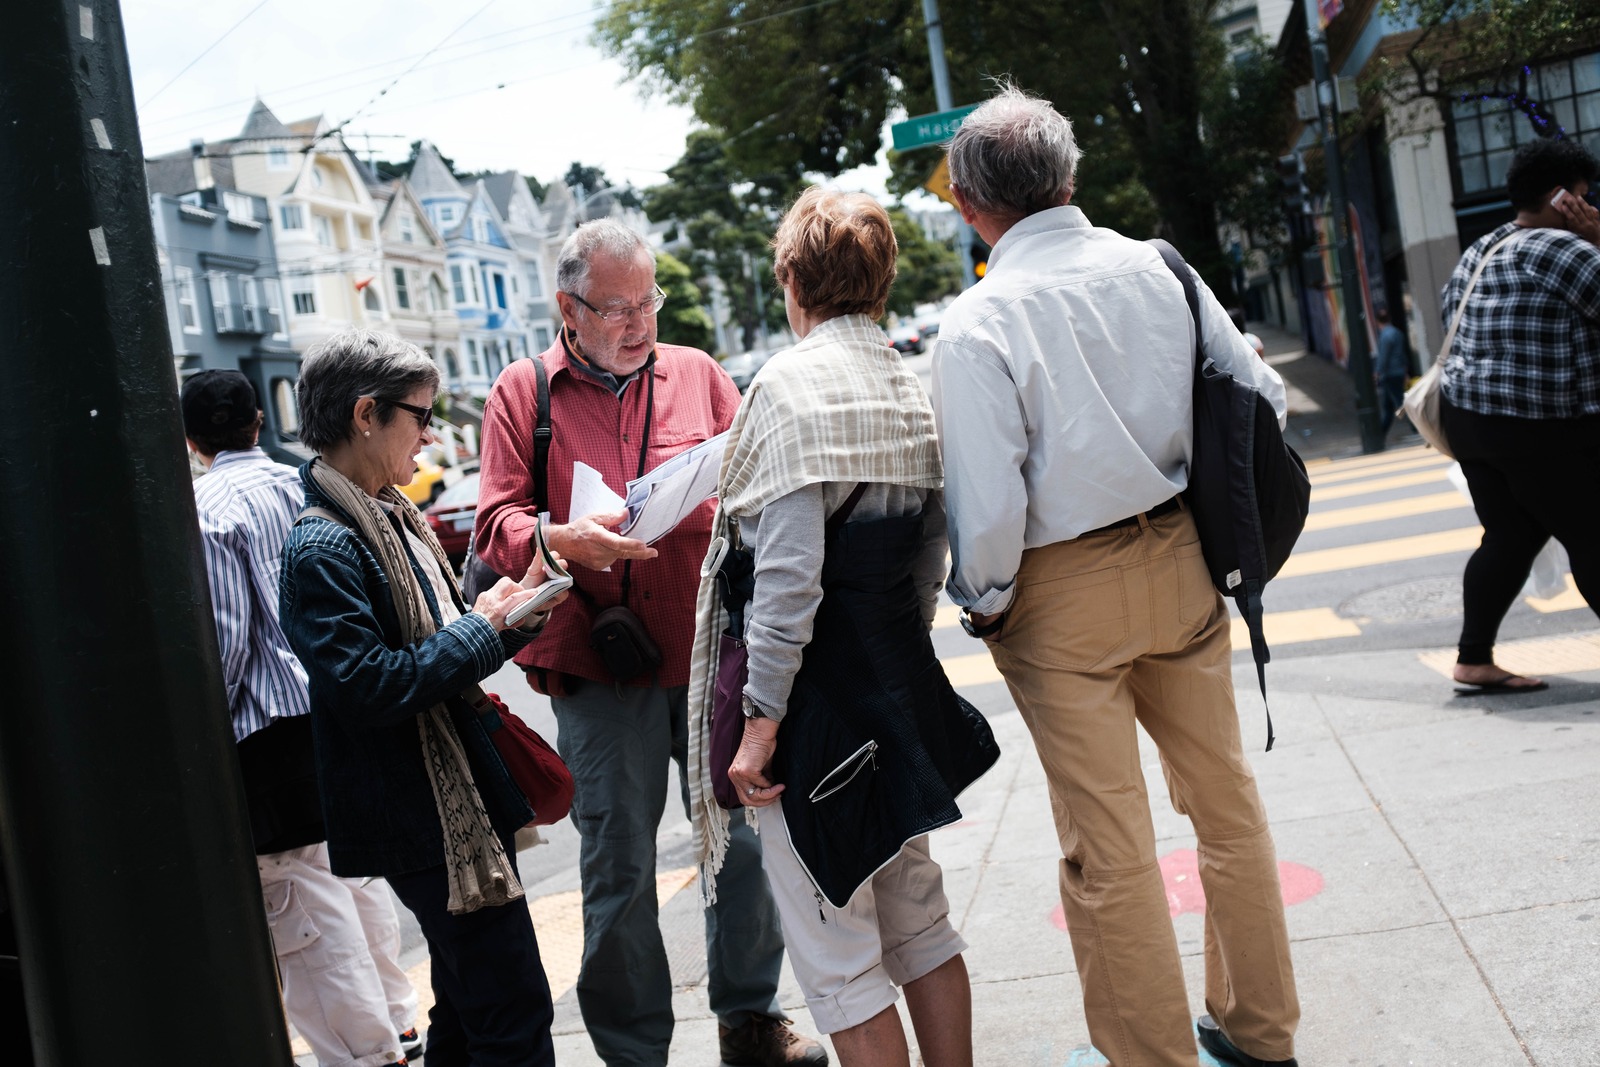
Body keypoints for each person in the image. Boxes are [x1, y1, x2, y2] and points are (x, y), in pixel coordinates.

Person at [932, 86, 1301, 1067]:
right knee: (1224, 806)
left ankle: (1151, 1054)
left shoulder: (976, 324)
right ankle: (1261, 1032)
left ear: (971, 205)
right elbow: (1257, 393)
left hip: (1058, 593)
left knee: (1110, 843)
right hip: (1183, 555)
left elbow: (988, 504)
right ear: (1068, 175)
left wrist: (985, 599)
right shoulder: (1161, 269)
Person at [475, 220, 826, 1067]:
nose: (639, 322)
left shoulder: (699, 373)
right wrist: (562, 538)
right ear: (569, 306)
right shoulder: (525, 393)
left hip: (709, 656)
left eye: (649, 301)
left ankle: (750, 1020)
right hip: (599, 666)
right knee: (619, 868)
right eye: (617, 307)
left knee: (743, 846)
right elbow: (495, 524)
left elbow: (757, 473)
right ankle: (636, 1054)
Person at [687, 189, 996, 1067]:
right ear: (883, 277)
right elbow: (934, 545)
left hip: (813, 710)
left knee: (839, 961)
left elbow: (787, 580)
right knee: (922, 924)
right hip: (891, 683)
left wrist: (757, 729)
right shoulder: (906, 375)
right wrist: (897, 641)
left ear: (794, 280)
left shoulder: (785, 386)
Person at [278, 331, 567, 1067]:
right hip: (419, 808)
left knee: (473, 1008)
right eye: (421, 414)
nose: (431, 434)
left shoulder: (387, 515)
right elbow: (373, 685)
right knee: (511, 1007)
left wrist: (519, 610)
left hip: (447, 794)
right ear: (366, 413)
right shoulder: (325, 544)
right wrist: (488, 624)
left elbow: (443, 651)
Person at [182, 369, 421, 1067]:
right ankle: (400, 1022)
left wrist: (210, 737)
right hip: (343, 702)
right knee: (357, 871)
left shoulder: (206, 506)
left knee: (302, 900)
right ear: (260, 421)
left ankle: (366, 1052)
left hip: (272, 729)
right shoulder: (307, 484)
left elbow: (226, 638)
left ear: (193, 440)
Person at [1438, 137, 1600, 694]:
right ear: (1562, 197)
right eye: (1583, 195)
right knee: (1593, 533)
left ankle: (1473, 658)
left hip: (1469, 422)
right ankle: (1474, 657)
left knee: (1510, 534)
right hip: (1538, 424)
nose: (1588, 204)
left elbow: (1448, 315)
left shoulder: (1480, 249)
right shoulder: (1569, 249)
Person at [1374, 308, 1409, 435]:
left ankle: (1416, 426)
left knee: (1399, 403)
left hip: (1390, 374)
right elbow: (1402, 354)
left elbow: (1384, 357)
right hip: (1398, 372)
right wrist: (1405, 371)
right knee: (1389, 406)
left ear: (1377, 321)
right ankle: (1381, 432)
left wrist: (1377, 372)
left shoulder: (1385, 336)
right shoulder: (1397, 333)